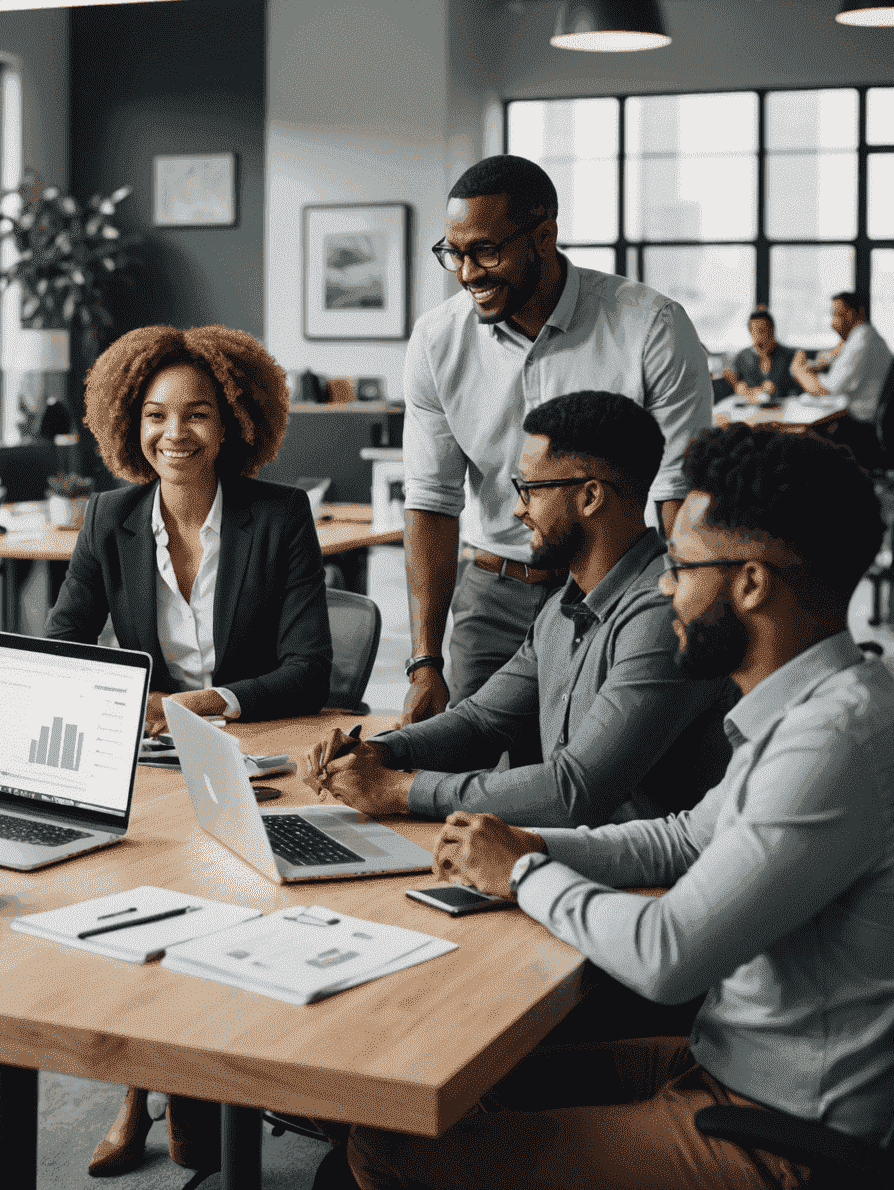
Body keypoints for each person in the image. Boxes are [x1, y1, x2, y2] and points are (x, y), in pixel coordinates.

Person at [341, 423, 893, 1190]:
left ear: (753, 584)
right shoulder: (814, 707)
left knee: (390, 1150)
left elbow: (669, 954)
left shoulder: (832, 742)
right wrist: (518, 846)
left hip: (782, 1134)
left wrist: (526, 878)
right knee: (443, 1089)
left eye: (680, 567)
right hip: (726, 1063)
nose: (665, 587)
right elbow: (678, 839)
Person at [46, 323, 331, 1176]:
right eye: (156, 415)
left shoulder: (278, 516)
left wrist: (203, 701)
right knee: (130, 891)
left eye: (198, 414)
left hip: (257, 755)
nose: (176, 435)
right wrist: (115, 699)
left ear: (233, 421)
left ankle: (195, 1083)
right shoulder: (111, 516)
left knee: (223, 902)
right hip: (152, 759)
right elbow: (64, 636)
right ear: (128, 423)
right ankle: (140, 1088)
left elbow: (308, 669)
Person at [302, 391, 733, 831]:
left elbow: (574, 791)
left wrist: (398, 790)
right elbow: (481, 723)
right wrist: (380, 751)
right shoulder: (563, 609)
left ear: (590, 497)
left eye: (530, 488)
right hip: (565, 863)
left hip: (642, 883)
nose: (518, 508)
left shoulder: (665, 614)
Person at [402, 155, 713, 730]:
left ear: (543, 236)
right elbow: (431, 500)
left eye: (486, 251)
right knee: (470, 779)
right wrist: (425, 660)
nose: (468, 272)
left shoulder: (650, 327)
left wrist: (681, 619)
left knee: (595, 782)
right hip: (491, 595)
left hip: (613, 592)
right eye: (455, 254)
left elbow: (679, 496)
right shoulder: (436, 341)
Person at [790, 288, 892, 463]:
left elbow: (829, 389)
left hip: (861, 427)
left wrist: (798, 371)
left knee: (802, 440)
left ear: (856, 313)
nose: (833, 323)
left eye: (838, 315)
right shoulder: (864, 337)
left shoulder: (861, 337)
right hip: (864, 420)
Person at [719, 308, 799, 400]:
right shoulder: (744, 356)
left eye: (762, 331)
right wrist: (738, 386)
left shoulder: (790, 356)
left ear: (772, 330)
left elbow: (798, 392)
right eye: (753, 332)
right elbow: (731, 375)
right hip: (751, 410)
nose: (758, 337)